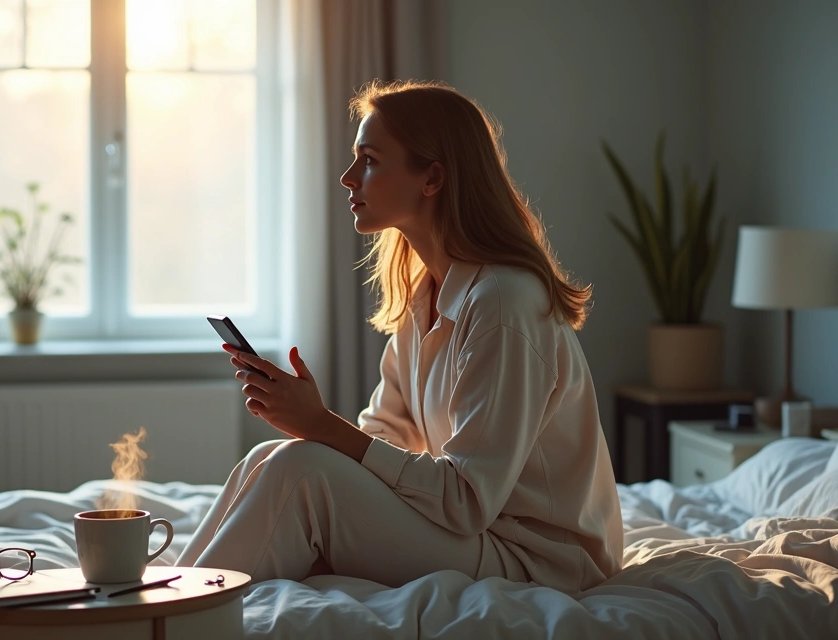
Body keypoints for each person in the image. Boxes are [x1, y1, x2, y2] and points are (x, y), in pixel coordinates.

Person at [174, 79, 623, 593]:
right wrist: (309, 424)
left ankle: (171, 616)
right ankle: (164, 599)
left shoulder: (503, 302)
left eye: (369, 160)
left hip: (539, 559)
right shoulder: (424, 296)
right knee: (269, 459)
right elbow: (385, 437)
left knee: (299, 474)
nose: (347, 178)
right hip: (479, 533)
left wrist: (321, 426)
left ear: (432, 177)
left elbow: (466, 501)